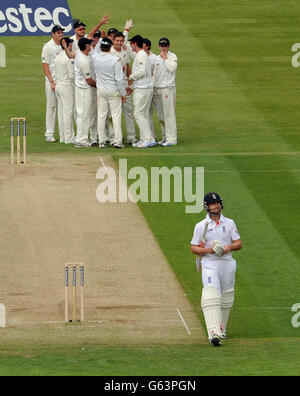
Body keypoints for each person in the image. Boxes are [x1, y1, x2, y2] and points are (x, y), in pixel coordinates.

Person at [190, 192, 242, 346]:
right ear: (207, 207)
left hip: (227, 263)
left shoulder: (230, 223)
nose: (216, 206)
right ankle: (213, 333)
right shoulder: (201, 226)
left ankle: (222, 329)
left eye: (217, 203)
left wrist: (228, 247)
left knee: (226, 297)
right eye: (213, 204)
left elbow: (238, 243)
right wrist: (208, 250)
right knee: (211, 292)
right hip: (210, 263)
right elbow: (193, 248)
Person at [90, 38, 126, 148]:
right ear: (110, 48)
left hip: (101, 91)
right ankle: (118, 141)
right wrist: (123, 93)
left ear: (101, 47)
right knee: (116, 116)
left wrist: (101, 38)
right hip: (113, 91)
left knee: (101, 116)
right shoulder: (115, 60)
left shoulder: (95, 57)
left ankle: (101, 141)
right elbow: (119, 79)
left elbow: (95, 48)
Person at [128, 35, 154, 148]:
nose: (130, 46)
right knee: (143, 113)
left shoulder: (141, 55)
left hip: (143, 89)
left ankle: (148, 139)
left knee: (138, 113)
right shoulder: (141, 55)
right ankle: (147, 138)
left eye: (131, 44)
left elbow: (142, 72)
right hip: (143, 87)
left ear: (134, 44)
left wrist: (131, 77)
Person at [111, 32, 137, 145]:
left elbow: (127, 67)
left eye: (121, 41)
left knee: (129, 112)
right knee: (113, 114)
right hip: (114, 88)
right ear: (113, 40)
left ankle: (131, 137)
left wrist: (130, 84)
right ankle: (113, 138)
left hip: (125, 87)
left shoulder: (125, 51)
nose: (119, 43)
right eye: (117, 41)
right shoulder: (109, 53)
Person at [153, 38, 178, 146]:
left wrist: (165, 58)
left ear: (169, 46)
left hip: (168, 88)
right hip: (159, 89)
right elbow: (155, 75)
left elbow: (172, 68)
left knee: (169, 114)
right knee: (161, 115)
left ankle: (172, 139)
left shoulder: (173, 56)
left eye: (166, 46)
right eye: (162, 46)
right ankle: (165, 137)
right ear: (159, 46)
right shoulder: (157, 59)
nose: (164, 48)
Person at [41, 24, 64, 143]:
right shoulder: (48, 47)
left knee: (64, 108)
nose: (60, 35)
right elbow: (45, 66)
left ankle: (64, 134)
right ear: (53, 34)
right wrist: (51, 82)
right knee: (52, 107)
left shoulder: (63, 45)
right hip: (52, 82)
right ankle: (49, 134)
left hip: (63, 82)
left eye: (61, 33)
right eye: (58, 33)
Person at [74, 38, 97, 147]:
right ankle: (81, 139)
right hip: (84, 89)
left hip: (80, 88)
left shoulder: (80, 53)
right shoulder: (84, 61)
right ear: (86, 46)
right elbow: (89, 80)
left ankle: (81, 138)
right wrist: (100, 86)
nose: (91, 45)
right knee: (83, 114)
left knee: (82, 114)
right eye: (89, 44)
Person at [54, 37, 75, 144]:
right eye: (71, 43)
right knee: (67, 113)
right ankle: (69, 138)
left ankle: (63, 137)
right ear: (68, 45)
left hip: (58, 85)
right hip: (66, 86)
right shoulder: (68, 58)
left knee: (61, 112)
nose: (72, 45)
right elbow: (71, 76)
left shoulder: (58, 56)